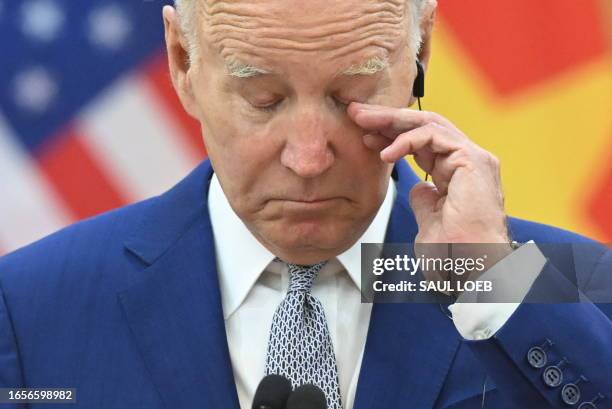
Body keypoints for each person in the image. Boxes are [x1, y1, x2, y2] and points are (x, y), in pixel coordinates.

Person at [0, 0, 610, 408]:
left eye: (351, 94)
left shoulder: (575, 284)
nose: (310, 157)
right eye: (263, 99)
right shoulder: (29, 308)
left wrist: (491, 279)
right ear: (183, 62)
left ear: (420, 51)